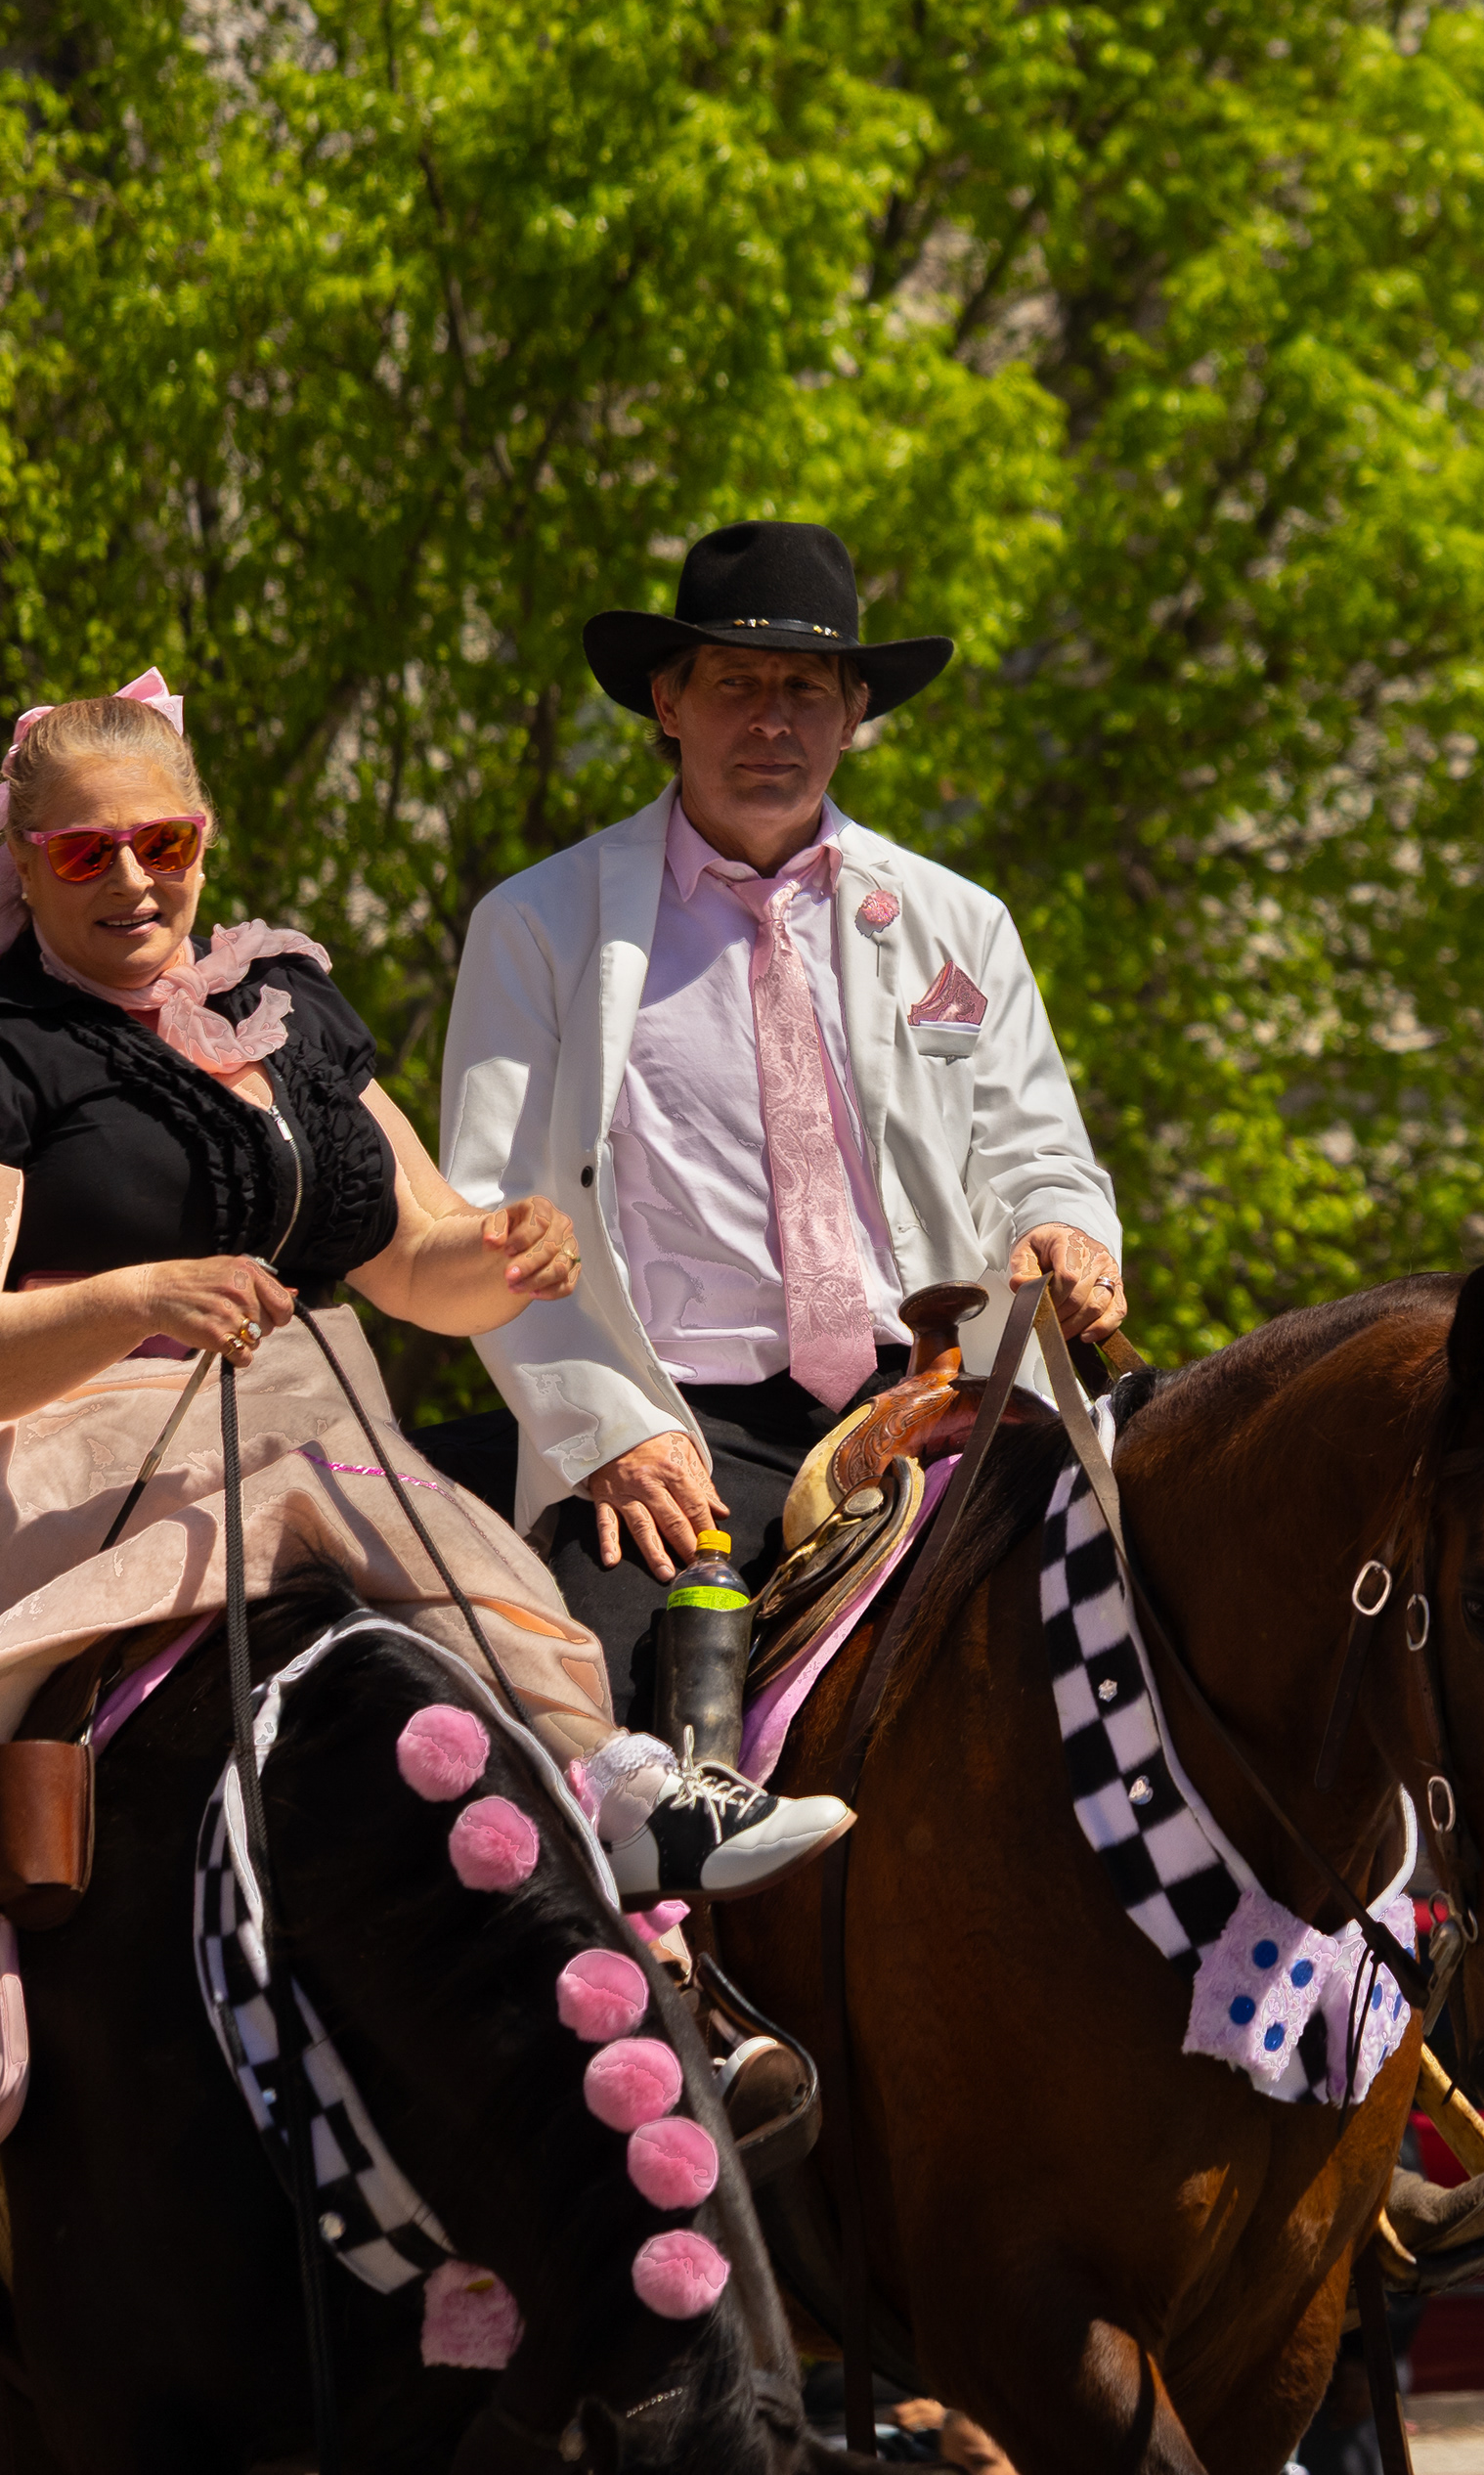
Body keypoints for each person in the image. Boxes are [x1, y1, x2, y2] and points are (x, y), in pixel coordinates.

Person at [0, 672, 657, 2111]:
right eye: (81, 853)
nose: (130, 880)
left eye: (160, 844)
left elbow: (416, 1266)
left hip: (298, 1422)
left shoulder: (290, 1012)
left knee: (386, 1513)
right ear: (23, 865)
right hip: (48, 1453)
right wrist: (141, 1298)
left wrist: (509, 1251)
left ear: (205, 841)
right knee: (335, 1511)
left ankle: (613, 1873)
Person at [430, 520, 1126, 1892]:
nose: (773, 720)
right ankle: (661, 2037)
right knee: (613, 1773)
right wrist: (606, 1435)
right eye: (737, 684)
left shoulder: (957, 923)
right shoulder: (541, 924)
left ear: (857, 715)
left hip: (929, 1409)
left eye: (808, 690)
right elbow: (486, 1216)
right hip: (670, 1433)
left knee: (1138, 1660)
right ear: (667, 704)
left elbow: (1039, 1151)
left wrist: (1069, 1233)